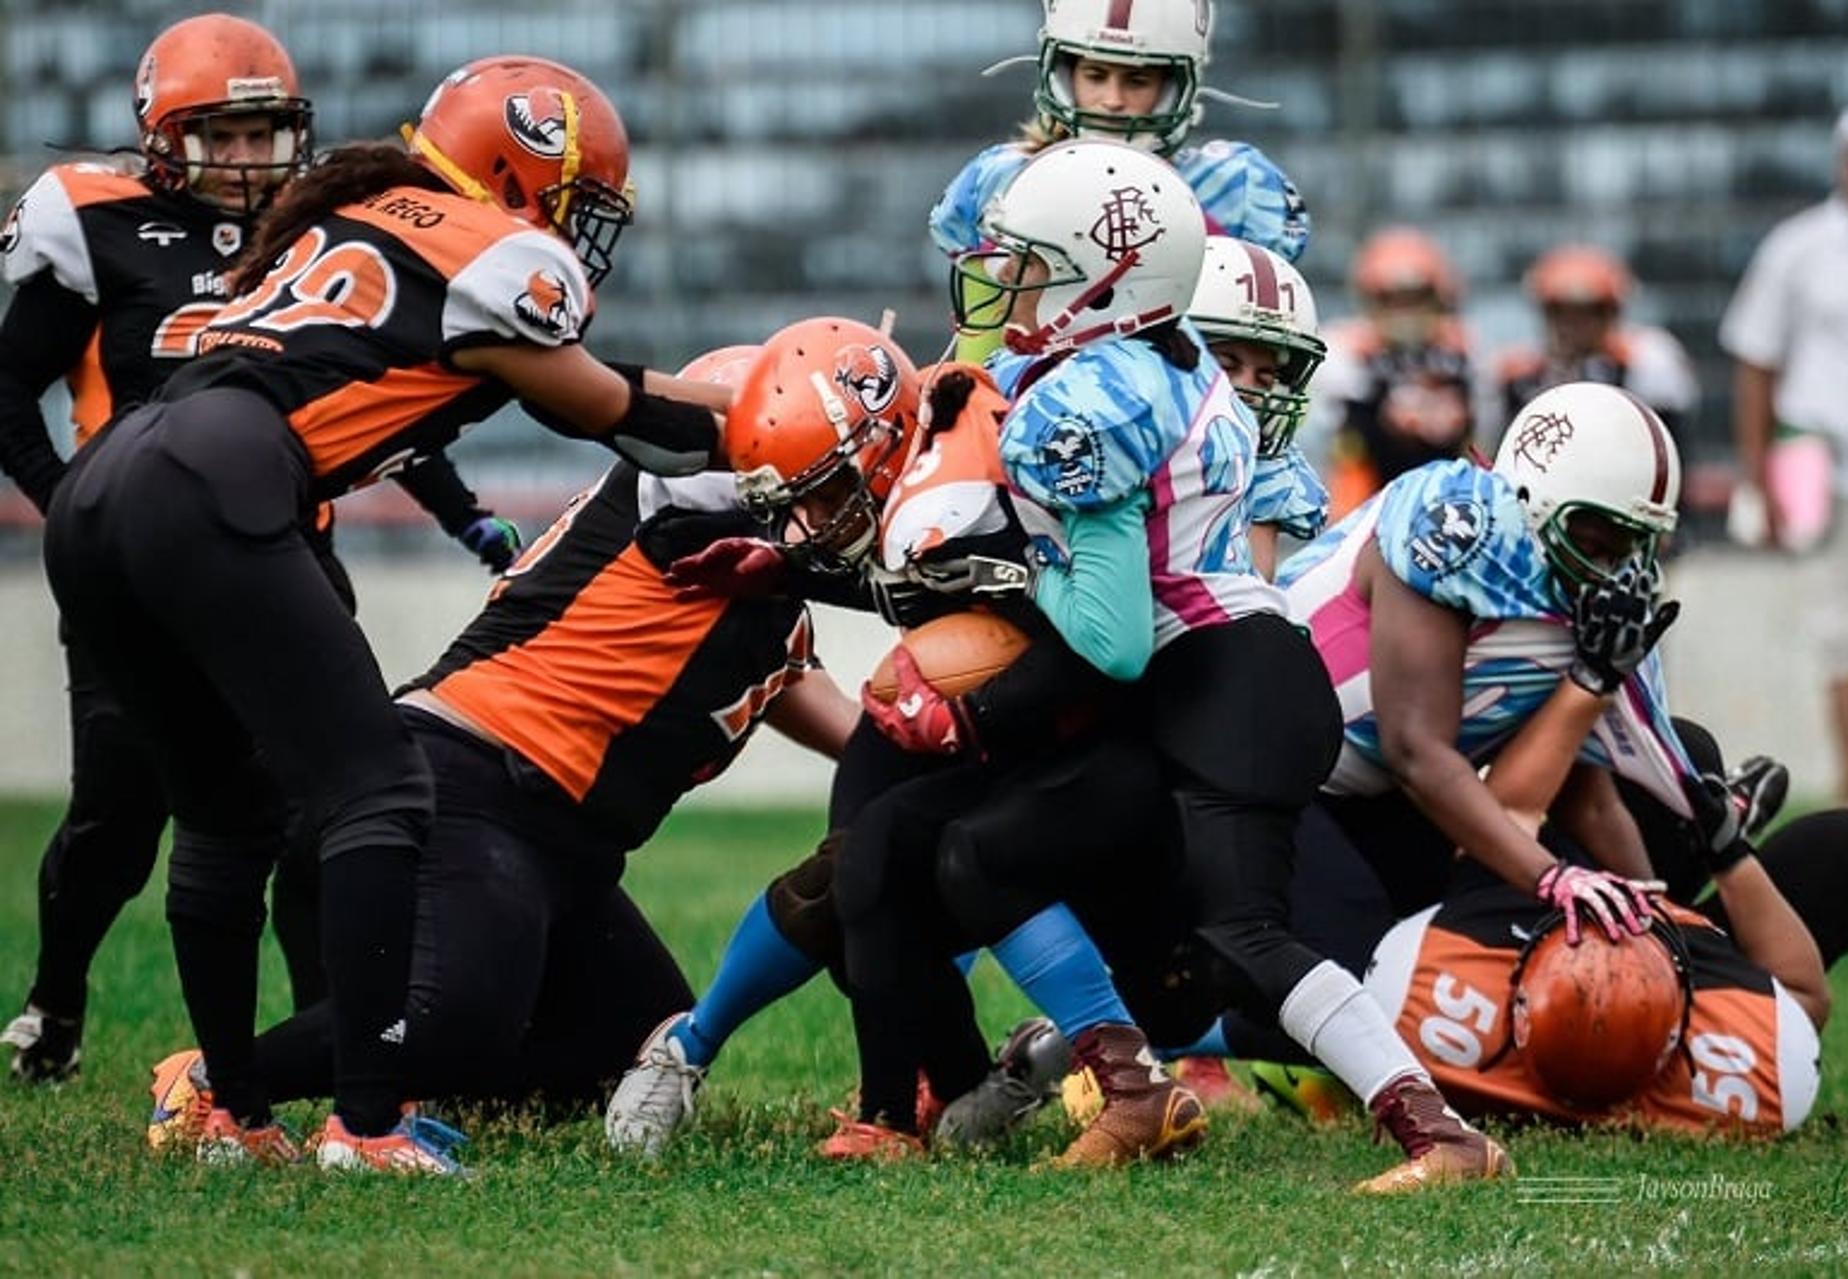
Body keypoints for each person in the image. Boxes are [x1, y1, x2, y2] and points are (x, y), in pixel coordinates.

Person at [46, 55, 728, 1172]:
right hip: (220, 473)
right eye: (574, 200)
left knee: (222, 816)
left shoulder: (364, 209)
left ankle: (232, 1112)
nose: (577, 228)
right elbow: (618, 413)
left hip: (110, 477)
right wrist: (773, 415)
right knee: (379, 786)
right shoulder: (497, 253)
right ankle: (366, 1126)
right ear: (523, 173)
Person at [923, 137, 1510, 1190]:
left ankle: (1442, 1135)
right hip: (1201, 681)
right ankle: (1131, 1086)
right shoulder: (1137, 364)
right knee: (984, 853)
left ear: (1108, 277)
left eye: (1034, 262)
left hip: (1227, 678)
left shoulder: (1099, 394)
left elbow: (1111, 634)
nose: (1009, 282)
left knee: (1240, 931)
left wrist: (1011, 569)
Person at [148, 369, 864, 1145]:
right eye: (831, 474)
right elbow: (699, 478)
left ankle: (412, 1086)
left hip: (556, 843)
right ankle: (215, 1079)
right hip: (465, 779)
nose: (846, 497)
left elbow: (837, 717)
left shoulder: (768, 606)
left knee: (630, 1046)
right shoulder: (686, 504)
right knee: (454, 1021)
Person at [0, 13, 518, 1084]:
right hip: (140, 555)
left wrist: (461, 510)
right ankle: (57, 996)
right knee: (121, 813)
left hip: (283, 543)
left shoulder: (321, 226)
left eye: (264, 134)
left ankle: (320, 1033)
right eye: (220, 136)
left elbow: (369, 390)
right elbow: (9, 385)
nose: (246, 159)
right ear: (159, 133)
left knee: (326, 801)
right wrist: (69, 501)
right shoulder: (97, 222)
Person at [604, 319, 1160, 1164]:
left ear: (881, 439)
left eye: (819, 495)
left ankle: (1005, 1086)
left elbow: (1084, 638)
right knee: (854, 882)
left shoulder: (977, 480)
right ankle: (923, 1092)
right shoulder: (907, 476)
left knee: (931, 874)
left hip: (1062, 719)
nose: (806, 521)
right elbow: (914, 579)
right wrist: (792, 569)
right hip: (956, 691)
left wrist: (979, 714)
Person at [1365, 662, 1848, 1134]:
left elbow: (1507, 816)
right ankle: (1712, 829)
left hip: (1553, 931)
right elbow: (1803, 992)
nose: (1618, 934)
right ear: (1678, 1035)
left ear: (1519, 993)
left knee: (1682, 752)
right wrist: (1728, 854)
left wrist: (1584, 682)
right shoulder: (1751, 1074)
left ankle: (1694, 837)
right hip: (1687, 964)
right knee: (1845, 849)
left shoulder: (1424, 987)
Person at [1276, 381, 1691, 937]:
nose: (1612, 567)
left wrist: (1664, 923)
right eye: (1596, 539)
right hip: (1280, 771)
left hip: (1391, 799)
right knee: (1346, 980)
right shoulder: (1462, 526)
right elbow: (1415, 749)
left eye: (1633, 545)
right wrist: (1551, 877)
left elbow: (1587, 796)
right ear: (1531, 497)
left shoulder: (1578, 594)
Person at [1720, 99, 1848, 863]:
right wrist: (1759, 474)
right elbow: (1756, 363)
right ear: (1845, 164)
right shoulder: (1801, 248)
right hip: (1830, 467)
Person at [934, 0, 1310, 363]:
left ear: (1172, 86)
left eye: (1137, 79)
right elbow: (979, 359)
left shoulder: (1232, 188)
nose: (1112, 100)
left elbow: (1268, 359)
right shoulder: (1003, 179)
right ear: (1065, 74)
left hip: (1177, 411)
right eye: (1096, 75)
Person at [1186, 234, 1330, 581]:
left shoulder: (1265, 463)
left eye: (1265, 377)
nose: (1248, 390)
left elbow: (1252, 597)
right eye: (1226, 365)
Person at [1312, 227, 1477, 520]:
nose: (1405, 312)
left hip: (1446, 506)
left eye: (1415, 298)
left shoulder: (1462, 355)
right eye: (1393, 299)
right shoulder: (1346, 353)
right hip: (1366, 507)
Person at [1489, 245, 1698, 450]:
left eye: (1590, 312)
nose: (1573, 325)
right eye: (1560, 312)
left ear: (1611, 314)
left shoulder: (1646, 362)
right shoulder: (1518, 374)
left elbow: (1667, 447)